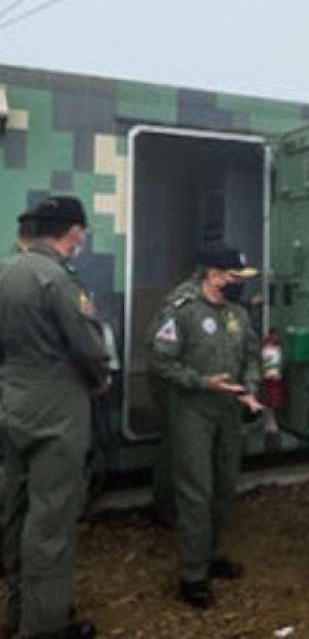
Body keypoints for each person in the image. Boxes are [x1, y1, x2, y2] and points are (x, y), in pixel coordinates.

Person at [0, 196, 109, 639]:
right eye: (81, 231)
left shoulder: (6, 270)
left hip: (13, 401)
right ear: (71, 232)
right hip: (57, 411)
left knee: (16, 509)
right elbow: (88, 348)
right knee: (52, 521)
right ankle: (43, 628)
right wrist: (100, 379)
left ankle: (19, 611)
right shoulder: (57, 279)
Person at [148, 244, 263, 609]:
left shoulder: (238, 315)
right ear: (213, 275)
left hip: (228, 411)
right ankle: (193, 575)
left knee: (225, 485)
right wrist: (202, 382)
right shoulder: (181, 310)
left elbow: (251, 356)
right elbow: (160, 361)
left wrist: (250, 391)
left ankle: (213, 554)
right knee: (196, 491)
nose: (238, 285)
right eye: (233, 278)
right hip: (192, 411)